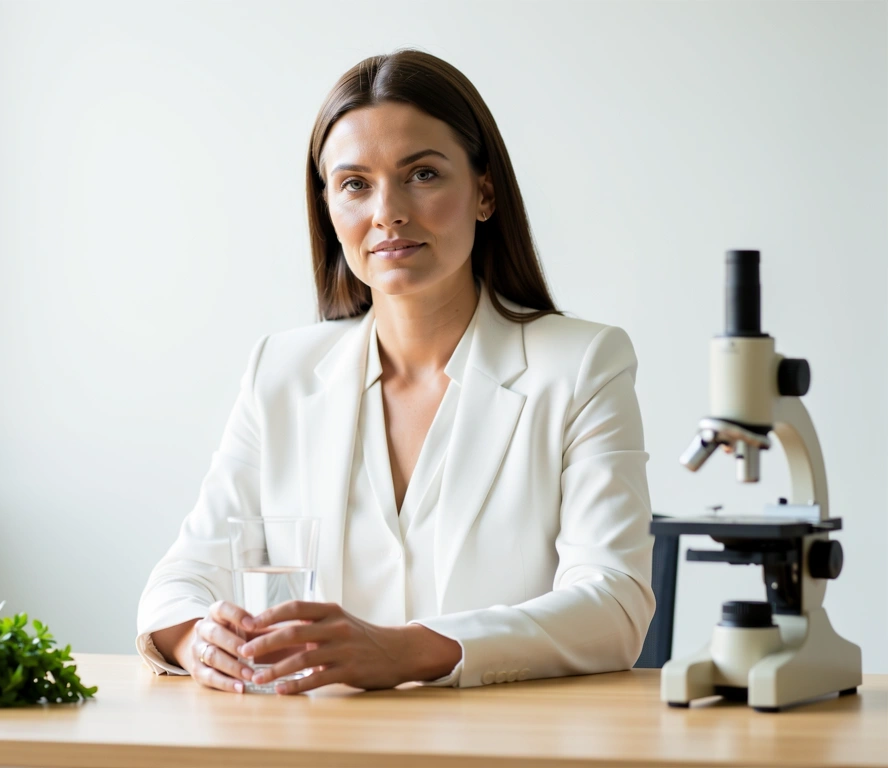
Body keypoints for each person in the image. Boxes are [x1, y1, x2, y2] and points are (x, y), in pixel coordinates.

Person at [136, 48, 655, 694]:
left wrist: (406, 651)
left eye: (423, 175)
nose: (388, 212)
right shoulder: (282, 372)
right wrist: (197, 640)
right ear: (328, 206)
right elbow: (177, 583)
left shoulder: (581, 365)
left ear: (484, 191)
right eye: (355, 184)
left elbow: (613, 604)